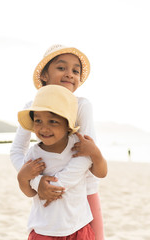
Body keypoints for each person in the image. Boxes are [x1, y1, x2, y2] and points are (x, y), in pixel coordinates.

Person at [10, 44, 107, 239]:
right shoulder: (32, 106)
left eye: (75, 71)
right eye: (61, 68)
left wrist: (57, 185)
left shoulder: (81, 105)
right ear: (44, 75)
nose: (69, 74)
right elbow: (17, 150)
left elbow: (86, 153)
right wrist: (37, 182)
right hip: (47, 195)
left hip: (84, 191)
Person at [18, 85, 94, 239]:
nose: (44, 128)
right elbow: (30, 192)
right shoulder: (34, 153)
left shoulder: (78, 146)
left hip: (78, 226)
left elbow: (101, 172)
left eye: (53, 121)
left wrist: (96, 154)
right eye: (38, 121)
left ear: (67, 125)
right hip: (44, 229)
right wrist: (22, 178)